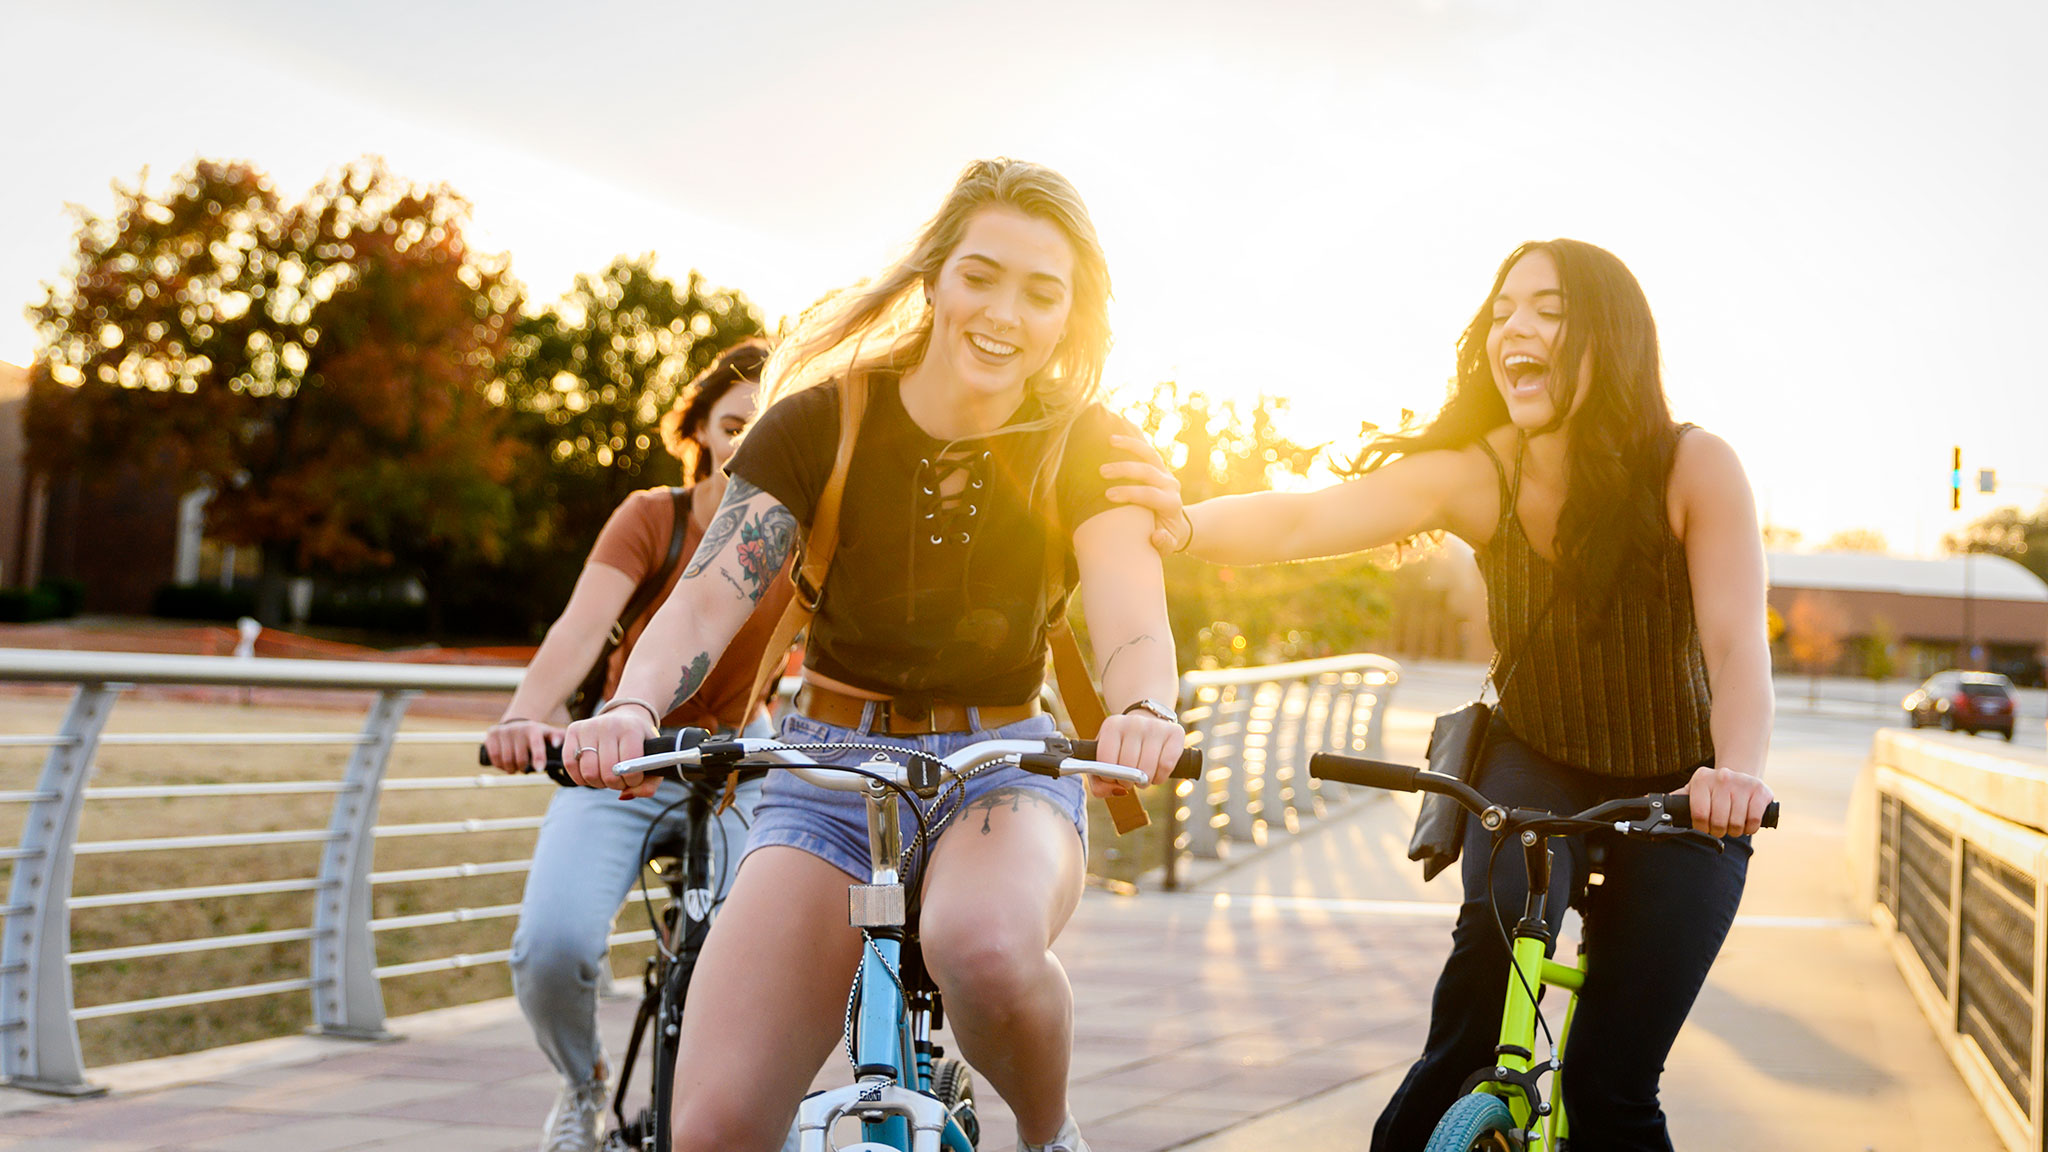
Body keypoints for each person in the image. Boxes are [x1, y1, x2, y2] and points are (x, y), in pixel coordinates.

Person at [565, 158, 1186, 1152]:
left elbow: (1130, 622)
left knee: (978, 948)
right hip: (826, 775)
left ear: (1070, 317)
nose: (1002, 313)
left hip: (1003, 770)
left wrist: (1144, 707)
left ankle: (1046, 1131)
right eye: (979, 275)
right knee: (714, 1125)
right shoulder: (822, 422)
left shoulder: (1086, 445)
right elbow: (703, 600)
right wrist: (634, 708)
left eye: (1040, 292)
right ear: (933, 279)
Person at [1103, 239, 1773, 1150]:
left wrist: (1735, 775)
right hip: (1533, 754)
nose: (1515, 329)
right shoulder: (1483, 472)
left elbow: (1736, 647)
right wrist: (1178, 525)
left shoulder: (1695, 467)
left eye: (1547, 309)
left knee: (1613, 1088)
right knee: (1466, 1035)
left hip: (1682, 790)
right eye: (1502, 311)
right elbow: (1311, 513)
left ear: (1610, 337)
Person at [484, 339, 791, 1152]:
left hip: (738, 769)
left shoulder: (801, 534)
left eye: (764, 425)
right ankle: (580, 1085)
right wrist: (527, 712)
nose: (745, 442)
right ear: (700, 430)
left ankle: (716, 1110)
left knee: (747, 963)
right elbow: (580, 628)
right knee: (552, 947)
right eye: (730, 423)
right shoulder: (653, 518)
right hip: (627, 759)